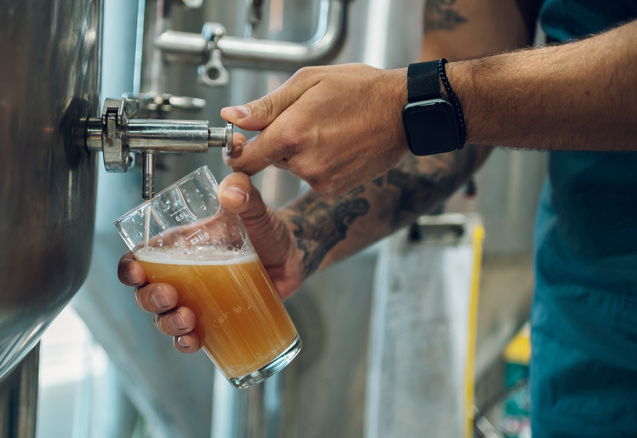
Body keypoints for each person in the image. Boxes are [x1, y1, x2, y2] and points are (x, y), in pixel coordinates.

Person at [119, 0, 637, 435]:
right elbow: (455, 100)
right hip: (587, 325)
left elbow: (441, 100)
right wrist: (301, 236)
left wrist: (406, 101)